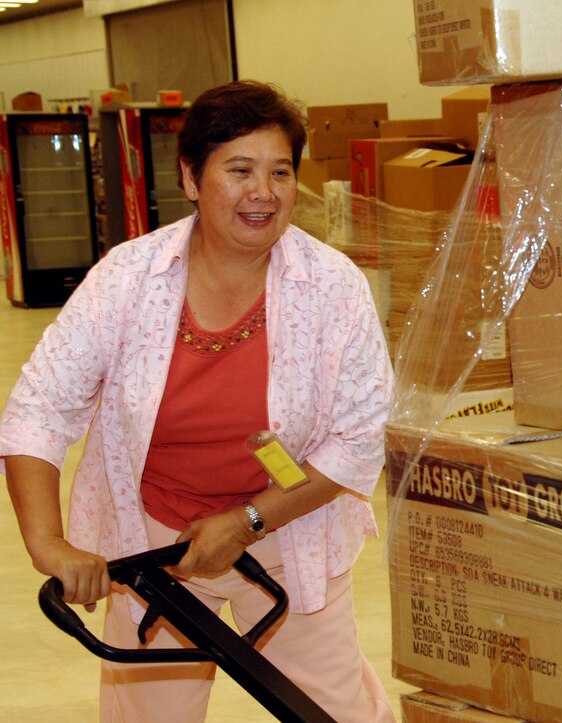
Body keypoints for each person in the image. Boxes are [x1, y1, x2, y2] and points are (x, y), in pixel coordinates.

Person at [0, 80, 396, 721]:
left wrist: (248, 523)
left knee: (333, 711)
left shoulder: (332, 288)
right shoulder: (127, 280)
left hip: (285, 529)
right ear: (191, 177)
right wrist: (49, 544)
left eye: (280, 171)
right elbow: (38, 409)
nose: (263, 192)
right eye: (239, 170)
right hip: (153, 540)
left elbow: (357, 439)